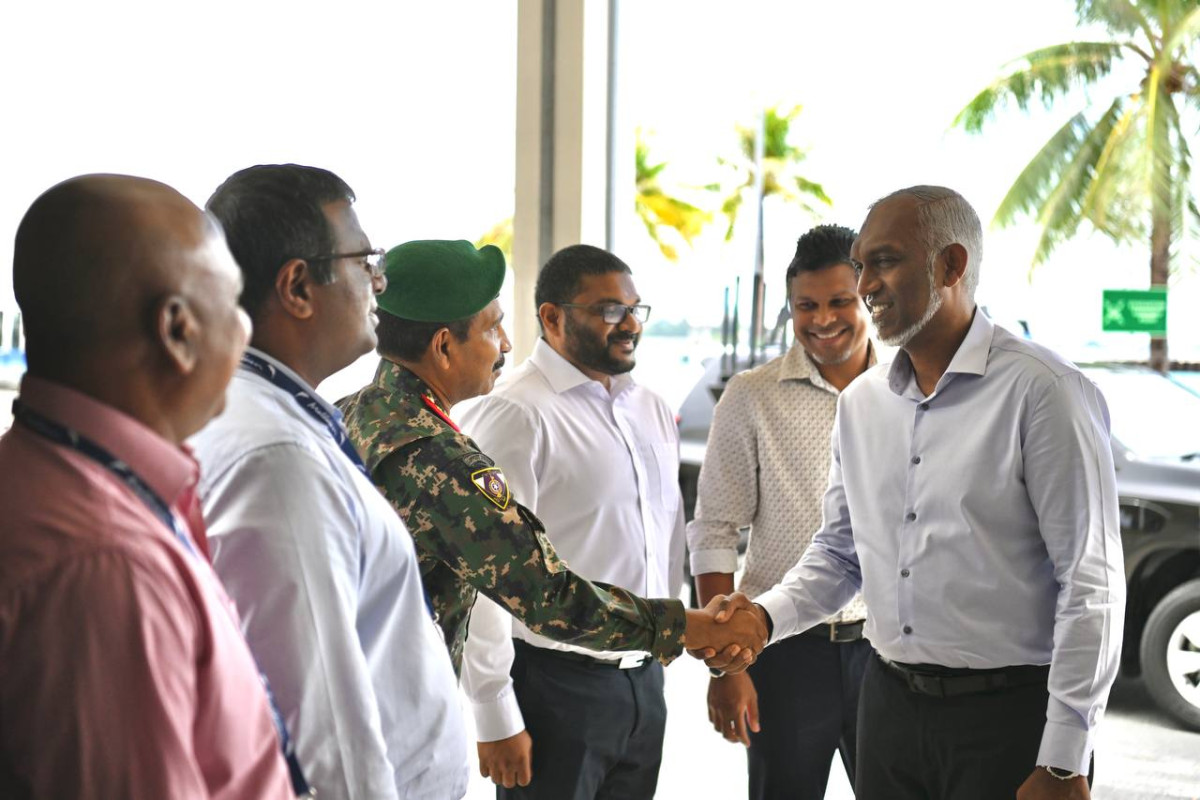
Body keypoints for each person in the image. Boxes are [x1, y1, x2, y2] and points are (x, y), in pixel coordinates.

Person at [724, 186, 1124, 800]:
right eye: (861, 265)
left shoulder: (1045, 393)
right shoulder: (863, 404)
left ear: (951, 266)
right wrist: (763, 616)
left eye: (884, 261)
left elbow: (1091, 585)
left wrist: (1065, 759)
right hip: (887, 708)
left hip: (1008, 718)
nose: (865, 286)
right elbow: (839, 556)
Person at [337, 239, 768, 792]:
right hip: (416, 712)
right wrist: (687, 625)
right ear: (444, 346)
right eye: (492, 328)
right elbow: (538, 590)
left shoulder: (350, 415)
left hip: (372, 704)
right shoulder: (441, 453)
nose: (507, 343)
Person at [0, 174, 294, 799]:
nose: (245, 331)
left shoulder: (58, 478)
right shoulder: (106, 565)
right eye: (235, 303)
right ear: (178, 330)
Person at [190, 165, 467, 800]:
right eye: (365, 259)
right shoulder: (279, 459)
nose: (379, 280)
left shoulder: (270, 415)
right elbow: (322, 735)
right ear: (297, 286)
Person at [452, 244, 688, 799]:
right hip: (555, 688)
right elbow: (485, 575)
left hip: (643, 679)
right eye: (609, 310)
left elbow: (667, 531)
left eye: (635, 308)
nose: (629, 323)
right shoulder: (515, 412)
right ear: (552, 317)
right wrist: (494, 710)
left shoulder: (651, 406)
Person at [689, 224, 877, 798]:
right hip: (783, 647)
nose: (823, 319)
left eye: (840, 301)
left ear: (868, 296)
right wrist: (728, 666)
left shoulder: (911, 387)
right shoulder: (751, 395)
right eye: (807, 306)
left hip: (891, 650)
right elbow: (715, 529)